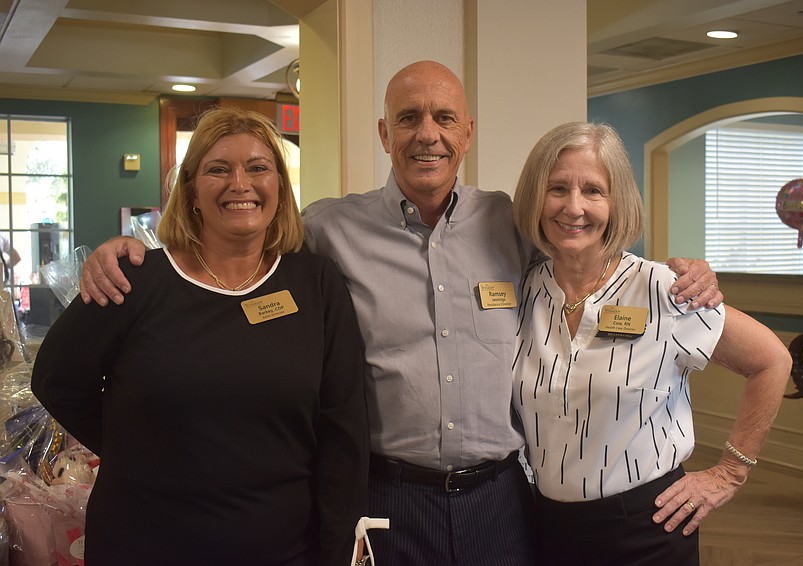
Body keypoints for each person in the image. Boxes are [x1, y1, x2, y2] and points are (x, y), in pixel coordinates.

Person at [77, 62, 722, 565]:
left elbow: (587, 245)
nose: (427, 134)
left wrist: (683, 272)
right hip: (384, 494)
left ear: (467, 132)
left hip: (500, 495)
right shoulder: (330, 230)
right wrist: (142, 252)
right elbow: (240, 255)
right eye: (408, 118)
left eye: (444, 117)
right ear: (385, 134)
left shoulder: (512, 222)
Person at [31, 107, 369, 566]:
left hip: (285, 549)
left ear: (279, 187)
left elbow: (342, 428)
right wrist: (140, 448)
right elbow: (55, 378)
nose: (240, 184)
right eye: (217, 169)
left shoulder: (315, 283)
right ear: (190, 192)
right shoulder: (133, 280)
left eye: (257, 168)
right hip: (146, 543)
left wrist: (338, 550)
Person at [511, 122, 791, 565]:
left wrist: (730, 474)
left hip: (646, 528)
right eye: (557, 188)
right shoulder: (524, 288)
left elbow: (772, 360)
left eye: (594, 191)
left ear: (617, 201)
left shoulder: (664, 288)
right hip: (543, 527)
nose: (574, 207)